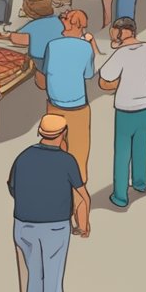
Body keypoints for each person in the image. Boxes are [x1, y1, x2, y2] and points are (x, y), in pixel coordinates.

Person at [9, 114, 91, 292]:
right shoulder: (67, 160)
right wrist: (83, 225)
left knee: (33, 267)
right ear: (63, 134)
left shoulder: (23, 156)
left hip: (23, 224)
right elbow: (83, 195)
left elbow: (12, 187)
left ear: (40, 133)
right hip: (55, 226)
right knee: (53, 272)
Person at [97, 17, 146, 208]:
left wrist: (120, 85)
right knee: (141, 146)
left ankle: (120, 195)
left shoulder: (120, 55)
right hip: (145, 107)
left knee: (122, 152)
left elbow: (104, 79)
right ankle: (141, 183)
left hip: (124, 108)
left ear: (119, 33)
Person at [37, 9, 98, 183]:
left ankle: (55, 180)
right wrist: (91, 45)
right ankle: (78, 183)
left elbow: (46, 71)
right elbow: (89, 74)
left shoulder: (52, 45)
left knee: (54, 147)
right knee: (78, 150)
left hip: (54, 104)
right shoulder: (85, 47)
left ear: (71, 24)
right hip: (77, 105)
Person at [0, 0, 63, 75]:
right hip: (60, 57)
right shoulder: (59, 21)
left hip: (41, 60)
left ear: (31, 12)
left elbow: (17, 39)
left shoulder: (32, 26)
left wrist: (2, 36)